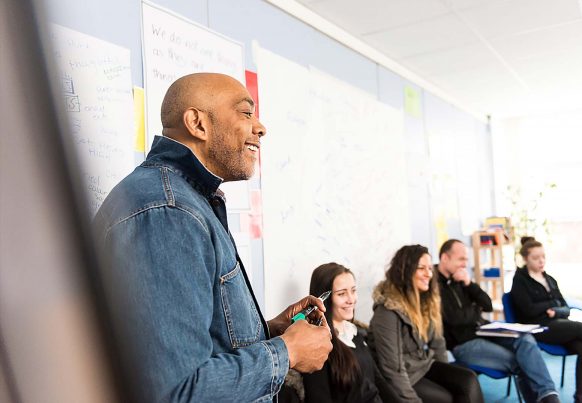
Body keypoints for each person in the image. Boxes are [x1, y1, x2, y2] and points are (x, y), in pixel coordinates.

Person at [94, 73, 332, 402]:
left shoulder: (183, 201)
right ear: (197, 123)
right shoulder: (169, 212)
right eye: (246, 113)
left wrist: (268, 331)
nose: (261, 127)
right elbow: (176, 391)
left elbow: (190, 346)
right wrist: (286, 351)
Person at [437, 239, 560, 403]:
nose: (465, 264)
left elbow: (487, 305)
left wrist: (469, 284)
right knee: (523, 362)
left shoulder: (460, 279)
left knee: (525, 340)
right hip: (464, 343)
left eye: (466, 259)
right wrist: (475, 309)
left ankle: (549, 395)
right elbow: (455, 319)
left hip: (484, 331)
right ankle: (548, 400)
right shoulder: (434, 286)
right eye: (461, 259)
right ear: (445, 258)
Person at [369, 244, 483, 403]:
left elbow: (438, 343)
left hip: (422, 364)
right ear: (404, 271)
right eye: (421, 268)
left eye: (430, 268)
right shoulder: (387, 311)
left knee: (468, 379)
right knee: (446, 398)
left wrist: (447, 375)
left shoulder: (426, 302)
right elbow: (392, 370)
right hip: (403, 375)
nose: (429, 274)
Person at [512, 236, 582, 403]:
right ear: (525, 259)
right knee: (580, 328)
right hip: (537, 328)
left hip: (557, 325)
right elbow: (528, 311)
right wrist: (550, 306)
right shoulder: (520, 281)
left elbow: (565, 308)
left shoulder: (550, 279)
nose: (541, 261)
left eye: (543, 256)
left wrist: (554, 310)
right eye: (536, 258)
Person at [302, 263, 400, 403]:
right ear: (322, 300)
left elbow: (378, 381)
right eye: (342, 294)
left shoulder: (354, 333)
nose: (351, 300)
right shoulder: (316, 346)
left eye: (353, 291)